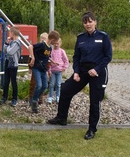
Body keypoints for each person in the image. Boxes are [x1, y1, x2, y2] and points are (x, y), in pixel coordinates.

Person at [47, 11, 112, 140]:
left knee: (94, 100)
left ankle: (92, 129)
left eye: (90, 21)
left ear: (95, 22)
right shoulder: (81, 38)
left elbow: (108, 57)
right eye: (85, 22)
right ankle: (61, 118)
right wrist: (76, 71)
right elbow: (76, 57)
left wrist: (97, 69)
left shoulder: (103, 37)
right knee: (65, 90)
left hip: (97, 73)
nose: (88, 24)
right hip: (82, 71)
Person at [28, 30, 60, 113]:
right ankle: (34, 100)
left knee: (45, 86)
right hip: (36, 68)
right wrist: (33, 57)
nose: (56, 43)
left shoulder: (49, 48)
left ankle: (35, 98)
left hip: (43, 69)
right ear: (52, 39)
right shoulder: (42, 45)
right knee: (38, 84)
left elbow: (46, 57)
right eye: (55, 41)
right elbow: (30, 46)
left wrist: (53, 62)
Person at [0, 27, 22, 107]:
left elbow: (10, 51)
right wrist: (6, 43)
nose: (9, 34)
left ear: (13, 33)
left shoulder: (17, 43)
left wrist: (8, 45)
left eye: (10, 33)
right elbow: (5, 50)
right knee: (6, 80)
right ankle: (4, 97)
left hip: (13, 64)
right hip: (7, 62)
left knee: (13, 81)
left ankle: (14, 98)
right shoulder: (11, 42)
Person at [28, 32, 48, 106]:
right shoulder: (36, 47)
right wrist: (30, 68)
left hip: (42, 69)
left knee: (43, 85)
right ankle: (31, 98)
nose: (42, 40)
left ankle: (39, 98)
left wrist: (48, 70)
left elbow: (48, 60)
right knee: (33, 83)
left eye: (44, 39)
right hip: (35, 67)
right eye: (41, 39)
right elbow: (30, 58)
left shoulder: (47, 49)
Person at [47, 37, 69, 103]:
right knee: (51, 84)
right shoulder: (50, 51)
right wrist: (49, 70)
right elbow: (48, 61)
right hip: (52, 71)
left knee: (58, 84)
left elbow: (66, 60)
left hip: (59, 71)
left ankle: (58, 96)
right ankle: (50, 97)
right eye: (55, 43)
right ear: (53, 43)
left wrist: (64, 68)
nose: (56, 45)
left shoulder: (62, 51)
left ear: (60, 44)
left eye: (57, 43)